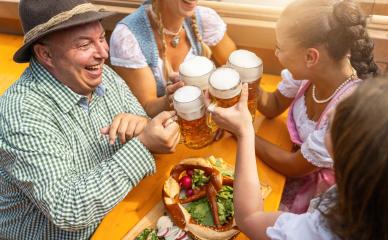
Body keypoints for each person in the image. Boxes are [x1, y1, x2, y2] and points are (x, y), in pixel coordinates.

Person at [0, 0, 180, 239]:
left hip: (117, 215)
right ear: (46, 54)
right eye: (84, 44)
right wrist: (143, 145)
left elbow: (145, 128)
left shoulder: (100, 75)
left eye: (101, 38)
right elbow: (69, 210)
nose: (103, 54)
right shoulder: (21, 113)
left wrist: (144, 126)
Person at [206, 77, 388, 240]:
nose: (331, 113)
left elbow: (249, 219)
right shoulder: (368, 196)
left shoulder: (319, 231)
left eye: (331, 125)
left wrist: (244, 132)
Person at [254, 0, 378, 213]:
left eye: (280, 48)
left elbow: (294, 166)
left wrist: (243, 133)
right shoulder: (306, 75)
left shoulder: (345, 112)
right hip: (293, 165)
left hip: (320, 194)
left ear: (311, 56)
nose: (276, 54)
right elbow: (272, 106)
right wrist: (246, 84)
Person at [109, 0, 237, 117]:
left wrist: (221, 108)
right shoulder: (127, 37)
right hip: (165, 132)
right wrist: (169, 100)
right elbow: (145, 109)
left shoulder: (204, 18)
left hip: (207, 123)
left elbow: (236, 71)